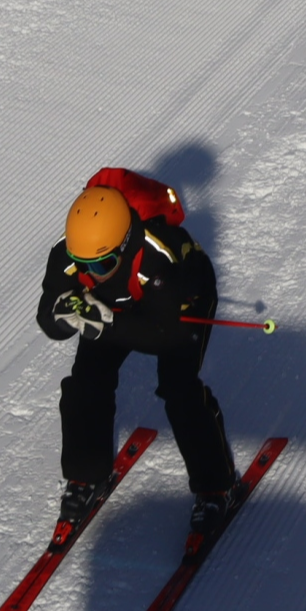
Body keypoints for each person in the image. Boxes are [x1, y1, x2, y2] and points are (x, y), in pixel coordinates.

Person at [36, 167, 239, 533]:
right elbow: (48, 319)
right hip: (116, 308)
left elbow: (165, 335)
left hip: (181, 305)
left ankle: (216, 486)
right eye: (82, 264)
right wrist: (65, 317)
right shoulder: (68, 256)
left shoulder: (156, 259)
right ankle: (86, 475)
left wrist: (106, 324)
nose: (92, 273)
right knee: (86, 383)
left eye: (103, 264)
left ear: (125, 243)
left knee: (179, 388)